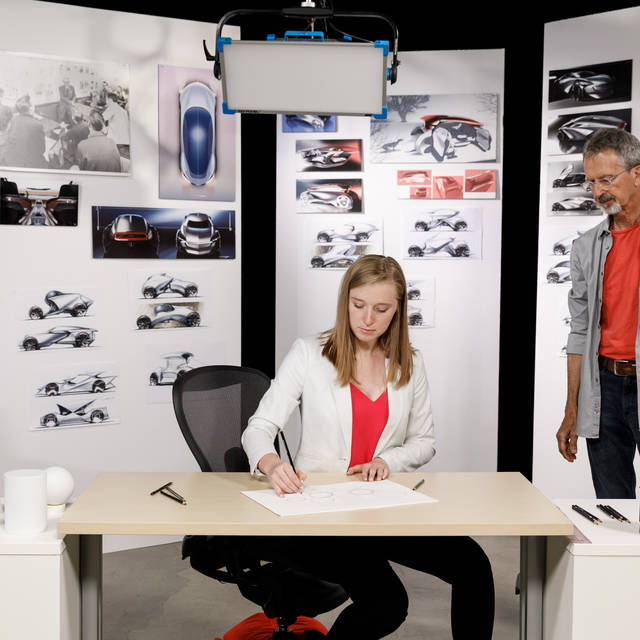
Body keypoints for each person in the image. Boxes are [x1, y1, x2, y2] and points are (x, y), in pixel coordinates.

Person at [242, 255, 494, 640]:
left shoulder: (409, 362)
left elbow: (425, 442)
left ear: (398, 309)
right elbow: (258, 428)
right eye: (358, 305)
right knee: (387, 604)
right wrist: (272, 463)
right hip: (324, 514)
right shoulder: (310, 353)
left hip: (382, 507)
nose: (368, 319)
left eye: (381, 309)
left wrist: (387, 460)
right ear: (346, 301)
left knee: (473, 566)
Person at [557, 127, 640, 498]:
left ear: (637, 172)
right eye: (591, 182)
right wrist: (571, 408)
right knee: (613, 507)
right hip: (604, 386)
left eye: (606, 179)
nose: (597, 192)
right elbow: (579, 331)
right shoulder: (586, 246)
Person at [1, 94, 46, 168]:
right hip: (25, 164)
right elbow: (42, 150)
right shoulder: (37, 125)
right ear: (31, 108)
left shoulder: (13, 119)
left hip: (9, 161)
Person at [103, 91, 130, 159]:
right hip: (124, 140)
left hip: (116, 141)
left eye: (106, 99)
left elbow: (102, 117)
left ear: (110, 100)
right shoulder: (121, 109)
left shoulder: (112, 107)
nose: (106, 102)